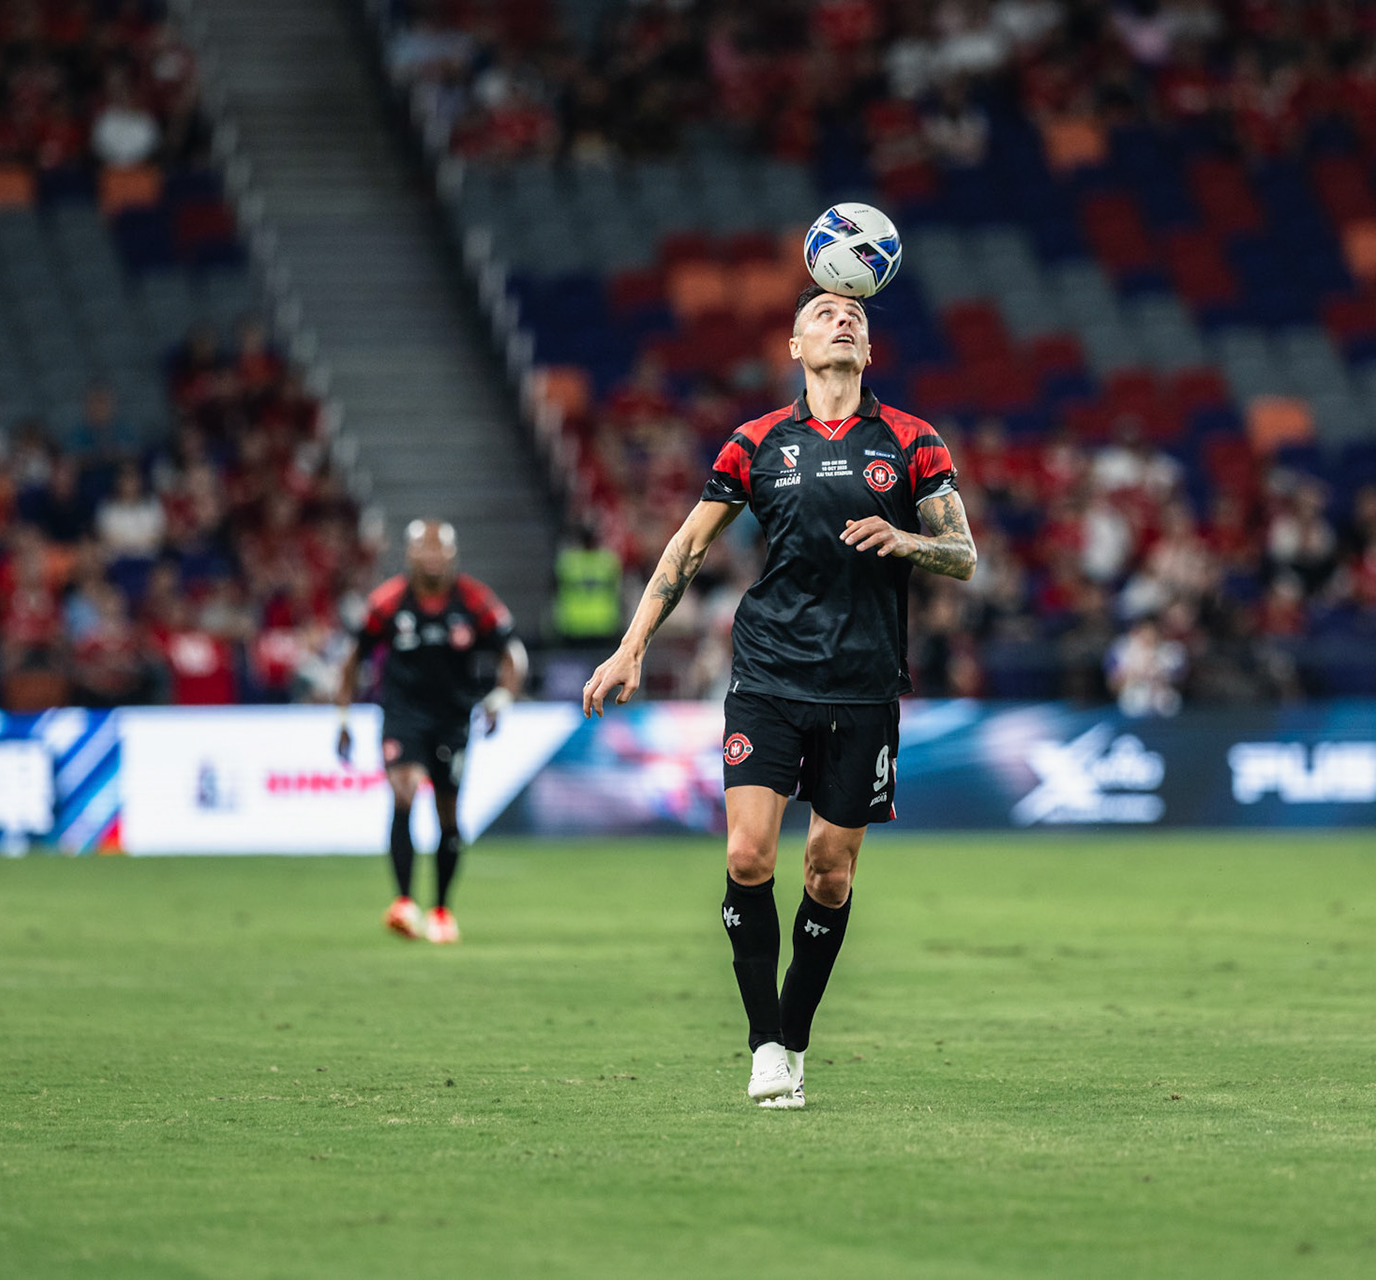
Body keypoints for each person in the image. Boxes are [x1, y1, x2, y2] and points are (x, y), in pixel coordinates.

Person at [582, 285, 977, 1110]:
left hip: (864, 685)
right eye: (823, 315)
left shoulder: (912, 441)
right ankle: (764, 1044)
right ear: (795, 347)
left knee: (828, 874)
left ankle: (794, 1039)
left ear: (869, 351)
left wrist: (905, 538)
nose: (843, 319)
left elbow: (963, 553)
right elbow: (689, 545)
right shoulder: (757, 442)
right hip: (768, 674)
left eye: (854, 316)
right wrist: (631, 645)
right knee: (746, 857)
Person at [336, 520, 524, 944]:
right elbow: (352, 657)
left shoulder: (474, 600)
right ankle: (404, 903)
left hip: (453, 720)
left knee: (448, 815)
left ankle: (441, 910)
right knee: (404, 790)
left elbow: (512, 653)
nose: (433, 557)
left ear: (453, 555)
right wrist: (343, 718)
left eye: (441, 550)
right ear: (410, 554)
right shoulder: (388, 602)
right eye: (425, 549)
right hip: (402, 715)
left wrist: (501, 698)